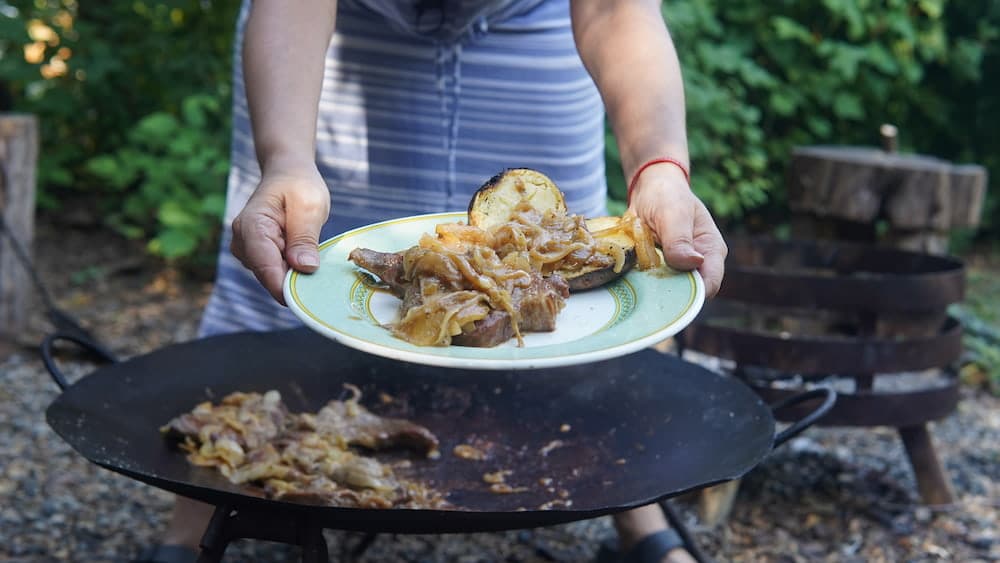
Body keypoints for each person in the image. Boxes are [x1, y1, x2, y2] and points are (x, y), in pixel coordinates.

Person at [138, 1, 726, 562]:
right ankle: (198, 521)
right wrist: (288, 159)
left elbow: (615, 7)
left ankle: (638, 515)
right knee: (294, 260)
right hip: (339, 33)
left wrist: (659, 168)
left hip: (530, 24)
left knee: (568, 282)